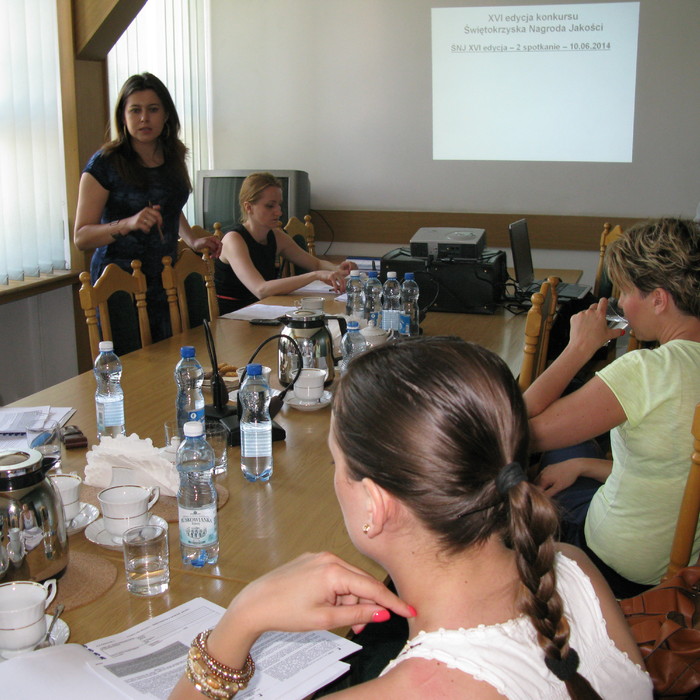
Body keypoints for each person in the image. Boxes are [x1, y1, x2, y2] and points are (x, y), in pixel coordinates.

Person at [170, 338, 650, 699]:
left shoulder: (412, 690)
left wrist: (241, 619)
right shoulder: (572, 568)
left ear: (373, 506)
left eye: (337, 463)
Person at [526, 218, 700, 597]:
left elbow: (518, 427)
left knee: (520, 482)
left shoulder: (647, 371)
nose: (620, 302)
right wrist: (584, 465)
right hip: (684, 561)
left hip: (617, 565)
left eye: (625, 290)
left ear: (658, 298)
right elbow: (675, 473)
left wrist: (578, 348)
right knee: (573, 448)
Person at [74, 72, 222, 342]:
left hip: (164, 277)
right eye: (135, 110)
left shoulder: (173, 156)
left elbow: (169, 206)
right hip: (119, 285)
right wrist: (128, 223)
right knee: (133, 371)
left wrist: (191, 239)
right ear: (123, 116)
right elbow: (81, 237)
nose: (144, 118)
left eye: (153, 109)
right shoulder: (105, 163)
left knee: (172, 358)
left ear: (166, 115)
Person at [214, 172, 356, 313]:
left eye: (279, 205)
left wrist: (337, 270)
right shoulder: (234, 239)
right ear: (248, 207)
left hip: (263, 310)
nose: (278, 212)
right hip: (233, 317)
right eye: (270, 206)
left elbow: (316, 264)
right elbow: (260, 289)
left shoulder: (276, 235)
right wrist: (315, 275)